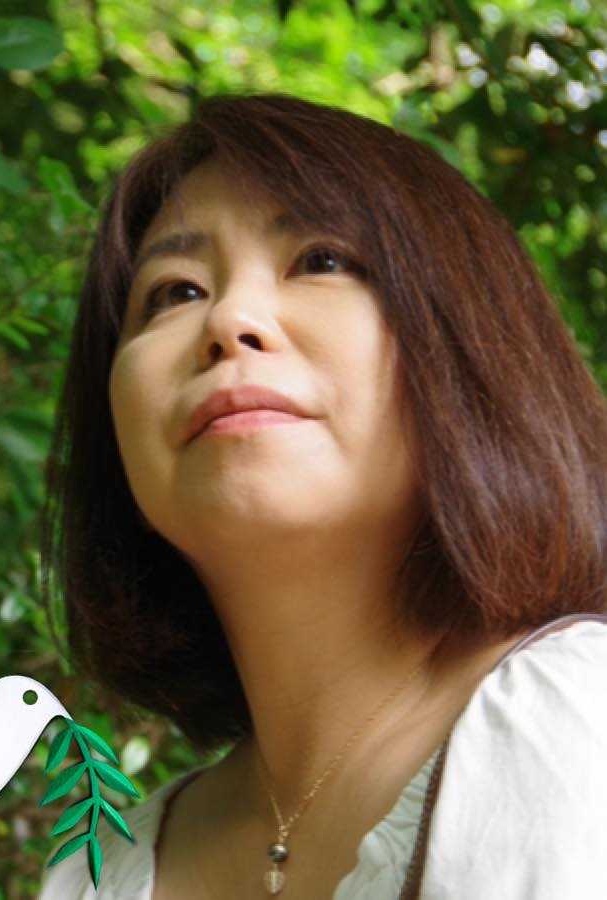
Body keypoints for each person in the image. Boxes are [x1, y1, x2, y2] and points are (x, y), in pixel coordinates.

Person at [36, 92, 607, 899]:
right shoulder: (99, 871)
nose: (231, 319)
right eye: (175, 292)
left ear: (467, 344)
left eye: (321, 260)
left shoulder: (576, 722)